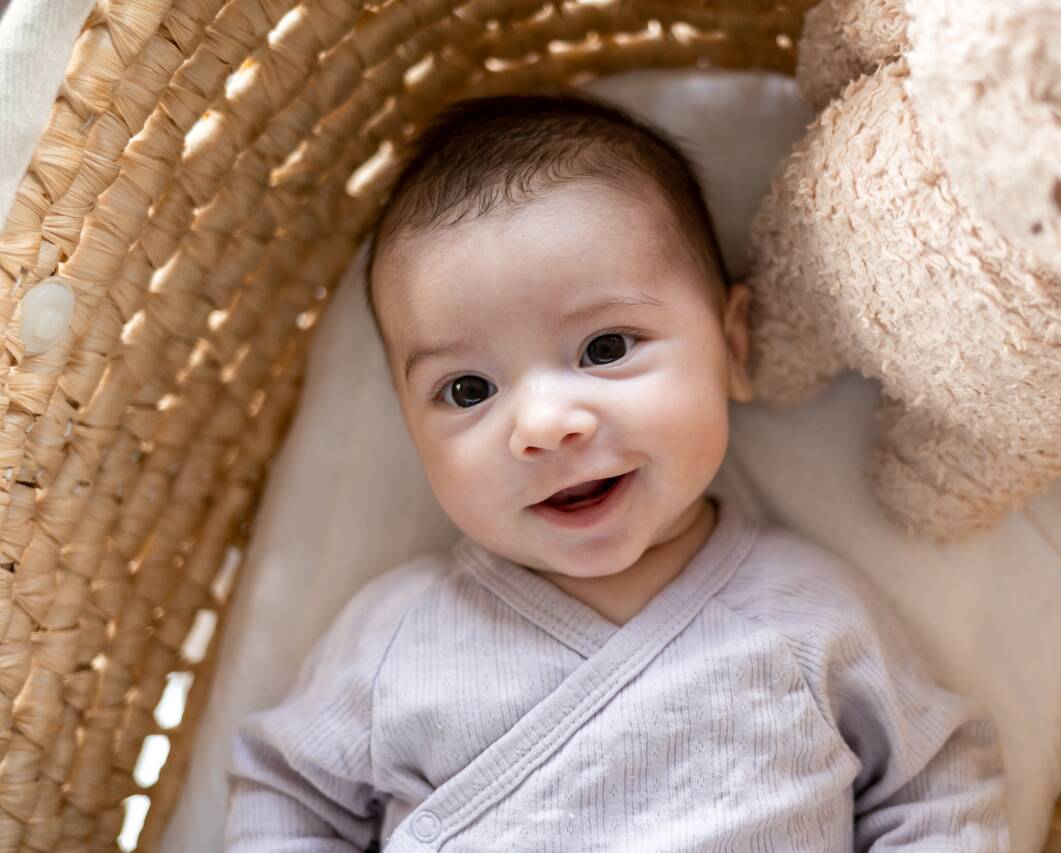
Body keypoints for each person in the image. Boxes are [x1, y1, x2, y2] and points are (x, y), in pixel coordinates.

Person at [223, 90, 1009, 852]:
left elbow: (934, 786)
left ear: (733, 349)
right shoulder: (396, 637)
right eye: (469, 390)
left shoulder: (810, 616)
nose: (541, 425)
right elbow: (288, 796)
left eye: (605, 348)